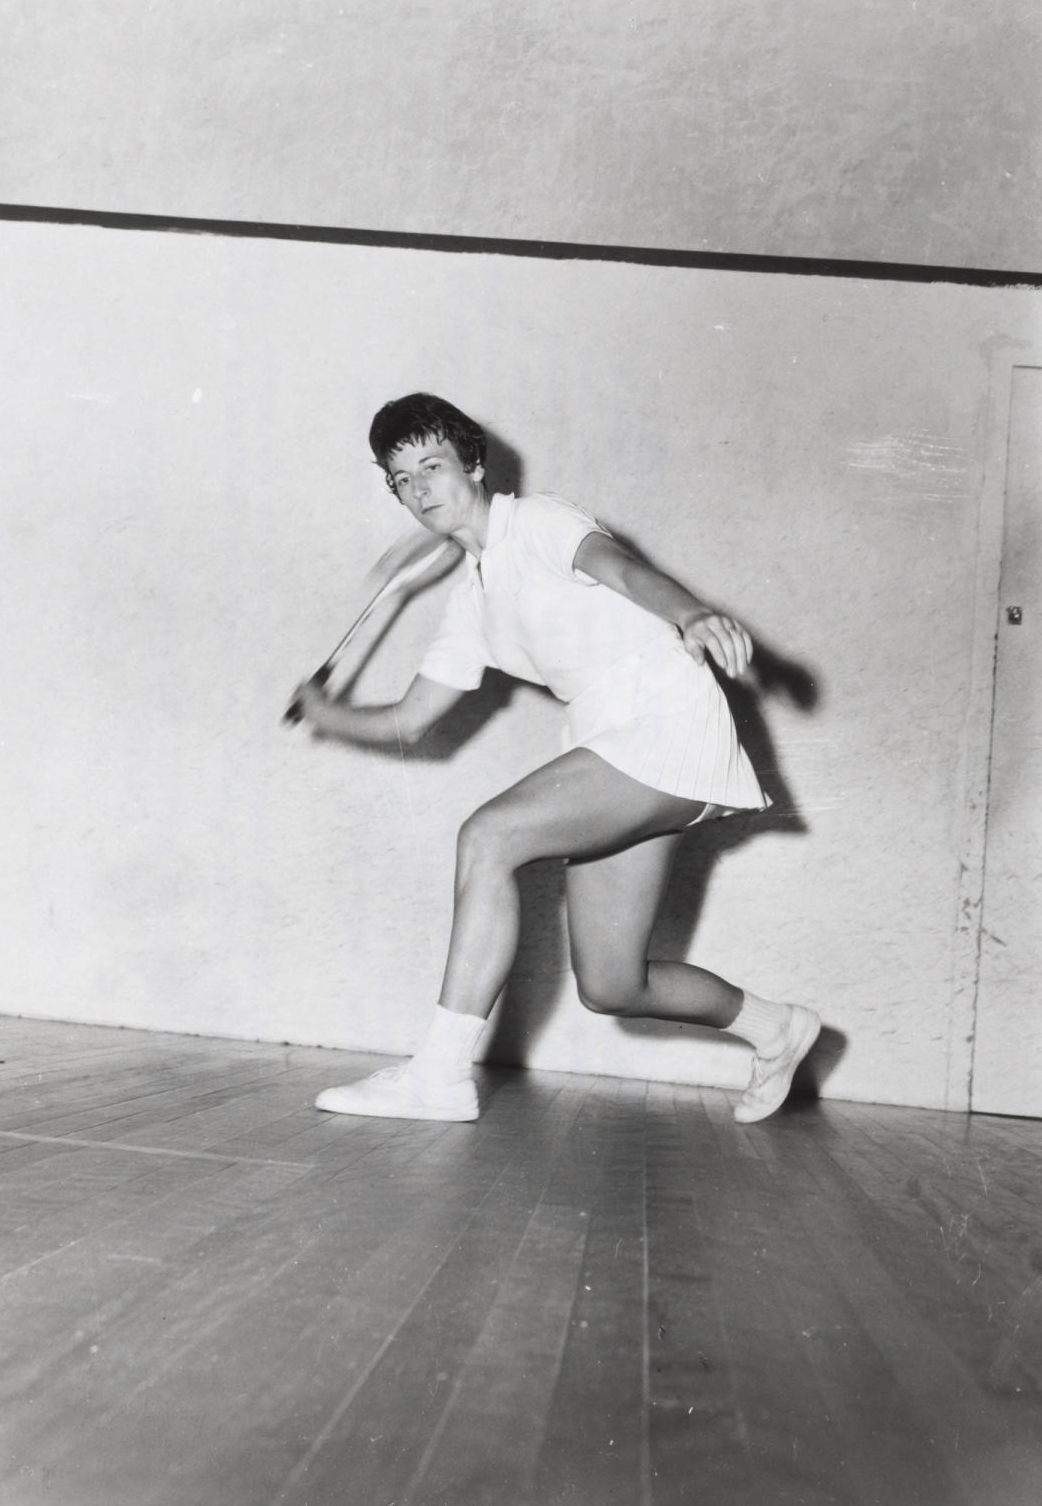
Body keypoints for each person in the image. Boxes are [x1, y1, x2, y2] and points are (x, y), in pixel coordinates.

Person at [293, 393, 819, 1124]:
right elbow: (410, 719)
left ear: (473, 465)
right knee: (612, 984)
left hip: (664, 718)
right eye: (401, 479)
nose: (418, 491)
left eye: (431, 466)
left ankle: (440, 1075)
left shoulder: (538, 522)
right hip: (609, 742)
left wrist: (692, 612)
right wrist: (326, 714)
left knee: (489, 835)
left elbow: (625, 571)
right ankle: (777, 1029)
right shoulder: (471, 601)